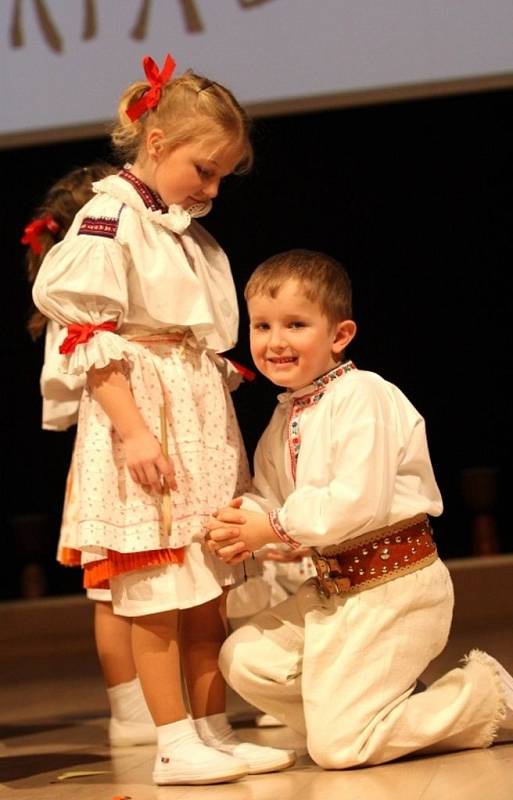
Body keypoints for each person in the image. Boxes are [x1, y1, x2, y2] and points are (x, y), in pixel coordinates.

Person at [32, 54, 295, 785]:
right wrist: (136, 430)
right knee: (152, 590)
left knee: (206, 581)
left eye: (220, 176)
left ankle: (212, 728)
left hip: (192, 409)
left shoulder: (176, 225)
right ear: (155, 144)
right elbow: (89, 332)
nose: (210, 189)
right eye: (202, 169)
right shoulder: (110, 215)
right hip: (143, 412)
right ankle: (172, 739)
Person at [207, 248, 513, 770]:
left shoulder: (364, 395)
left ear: (339, 335)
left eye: (295, 324)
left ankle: (491, 698)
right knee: (246, 658)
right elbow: (271, 496)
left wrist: (273, 526)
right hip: (335, 591)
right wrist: (241, 520)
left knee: (338, 750)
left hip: (394, 589)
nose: (275, 341)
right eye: (262, 325)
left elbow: (358, 503)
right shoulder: (284, 421)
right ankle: (379, 713)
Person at [24, 162, 156, 747]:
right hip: (109, 445)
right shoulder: (81, 305)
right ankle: (129, 711)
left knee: (143, 584)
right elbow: (62, 390)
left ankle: (147, 704)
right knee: (111, 586)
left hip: (121, 439)